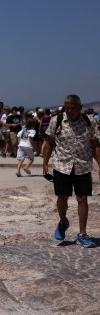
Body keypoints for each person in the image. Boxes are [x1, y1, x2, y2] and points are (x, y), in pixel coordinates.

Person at [42, 94, 100, 248]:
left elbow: (95, 144)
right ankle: (63, 221)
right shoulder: (56, 120)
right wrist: (45, 163)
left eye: (72, 108)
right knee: (62, 197)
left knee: (82, 199)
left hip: (83, 165)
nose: (69, 111)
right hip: (62, 165)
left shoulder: (89, 121)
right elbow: (49, 143)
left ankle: (82, 234)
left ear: (80, 108)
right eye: (66, 108)